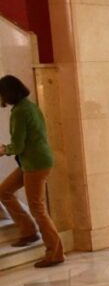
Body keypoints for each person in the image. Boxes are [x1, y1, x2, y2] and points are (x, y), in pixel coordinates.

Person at [0, 75, 64, 268]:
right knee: (3, 191)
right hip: (32, 162)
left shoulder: (20, 112)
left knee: (38, 208)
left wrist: (4, 149)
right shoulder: (29, 106)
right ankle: (28, 231)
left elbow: (18, 145)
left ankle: (55, 253)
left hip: (35, 164)